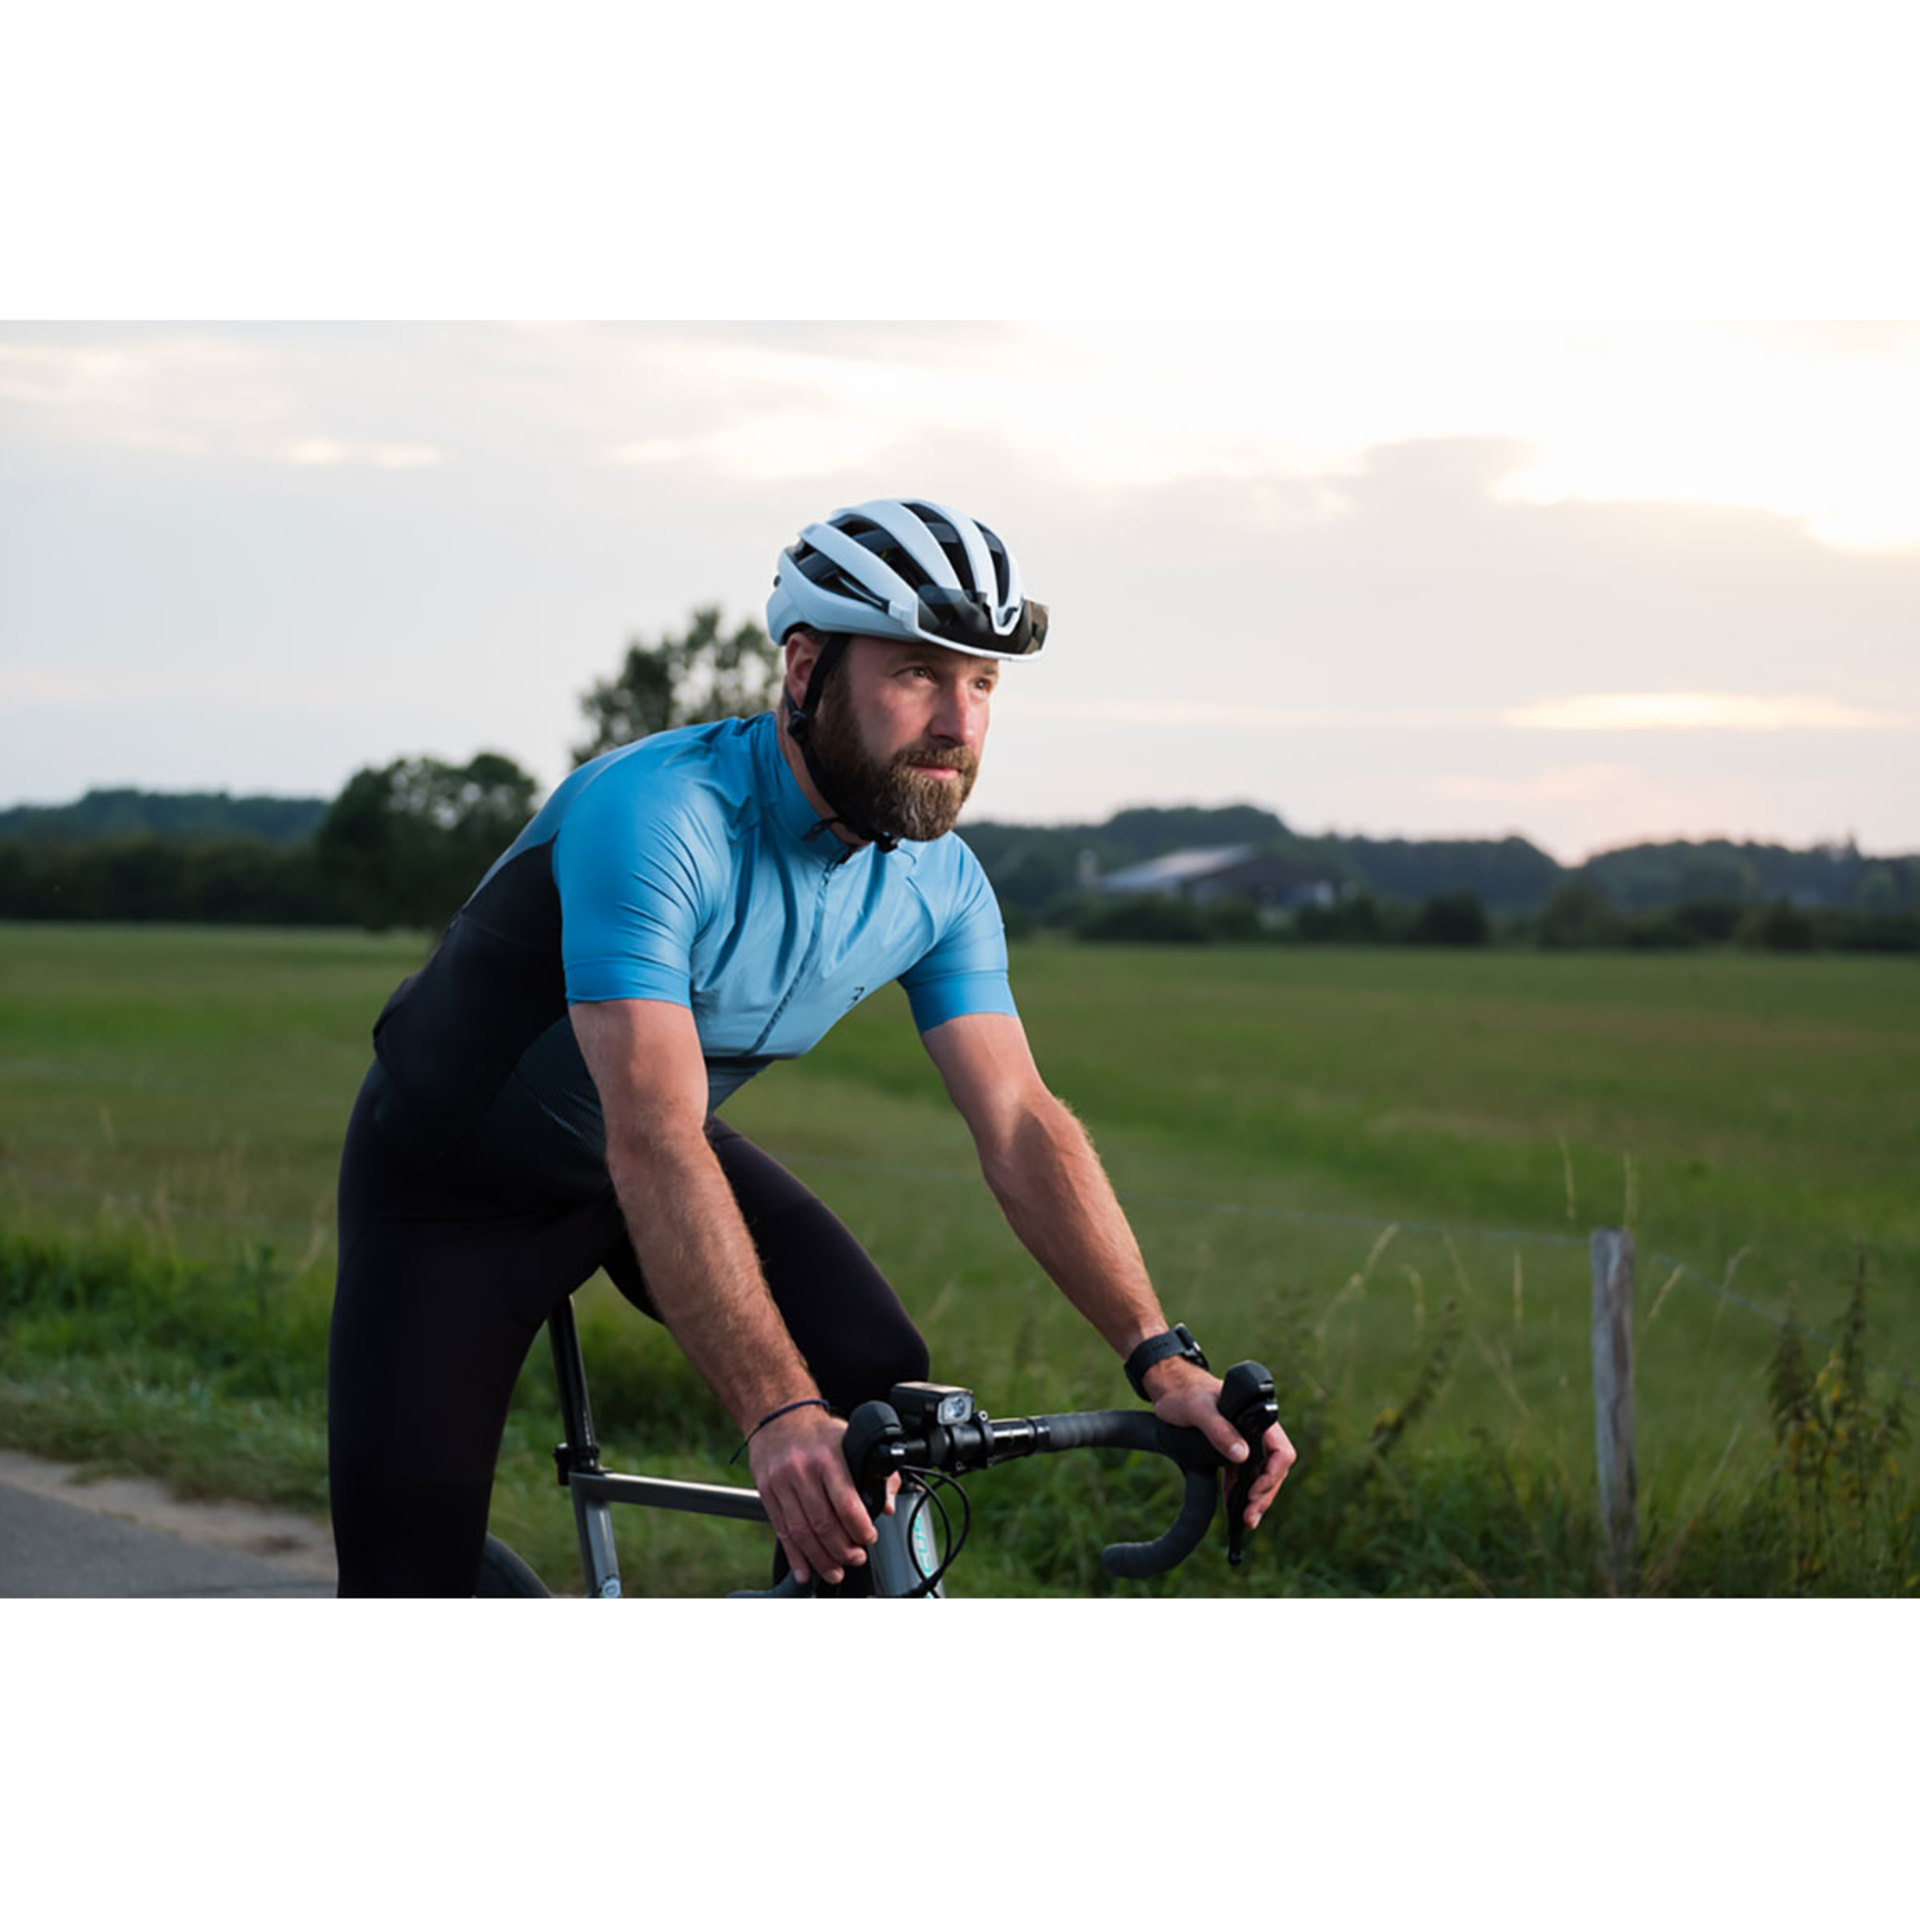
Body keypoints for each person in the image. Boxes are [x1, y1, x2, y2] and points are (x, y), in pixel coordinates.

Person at [327, 496, 1296, 1595]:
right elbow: (652, 1137)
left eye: (982, 683)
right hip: (455, 1183)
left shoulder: (939, 883)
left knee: (881, 1393)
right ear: (805, 669)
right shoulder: (658, 816)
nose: (960, 723)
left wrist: (1162, 1360)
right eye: (917, 674)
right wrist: (776, 1413)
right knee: (407, 1579)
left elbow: (1020, 1121)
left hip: (650, 1149)